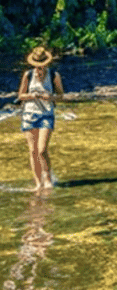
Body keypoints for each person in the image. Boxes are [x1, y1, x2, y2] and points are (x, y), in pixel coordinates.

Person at [17, 46, 64, 191]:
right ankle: (38, 183)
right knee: (33, 151)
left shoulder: (54, 75)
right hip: (29, 115)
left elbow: (61, 95)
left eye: (41, 66)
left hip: (46, 115)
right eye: (36, 66)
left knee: (42, 149)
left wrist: (50, 97)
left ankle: (48, 178)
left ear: (46, 64)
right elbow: (20, 95)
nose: (38, 69)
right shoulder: (28, 75)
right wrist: (32, 95)